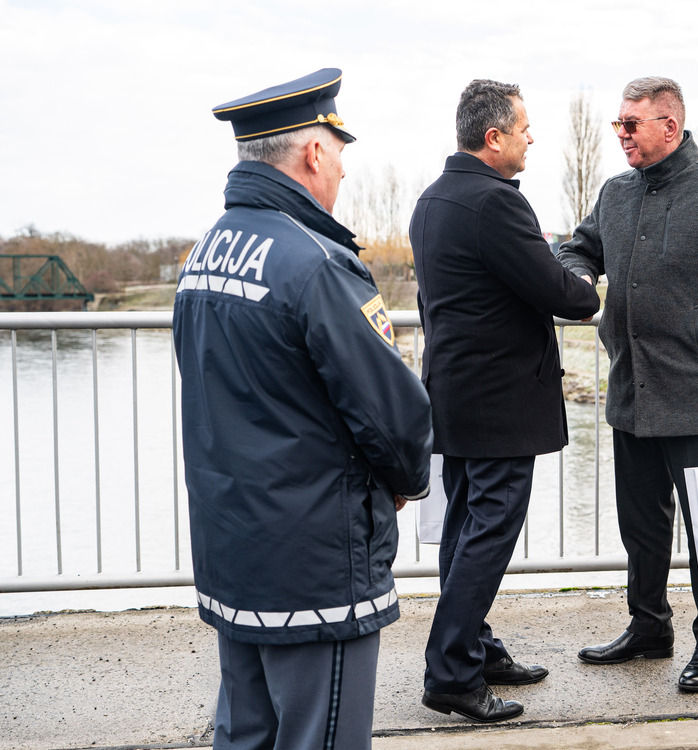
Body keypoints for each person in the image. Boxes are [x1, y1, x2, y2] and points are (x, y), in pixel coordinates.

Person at [173, 69, 432, 749]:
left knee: (246, 734)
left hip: (236, 553)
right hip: (316, 567)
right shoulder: (316, 264)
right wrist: (407, 481)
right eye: (339, 152)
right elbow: (394, 416)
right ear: (312, 153)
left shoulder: (206, 253)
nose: (344, 171)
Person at [557, 76, 698, 693]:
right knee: (641, 526)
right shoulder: (616, 193)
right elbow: (580, 249)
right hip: (632, 390)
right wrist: (575, 280)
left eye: (632, 124)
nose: (621, 133)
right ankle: (649, 627)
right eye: (618, 123)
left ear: (670, 127)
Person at [410, 79, 600, 723]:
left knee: (463, 528)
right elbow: (557, 291)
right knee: (488, 532)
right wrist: (587, 281)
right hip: (501, 402)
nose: (531, 137)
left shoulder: (433, 200)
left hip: (455, 394)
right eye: (523, 128)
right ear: (493, 138)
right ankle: (452, 673)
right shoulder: (496, 205)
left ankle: (478, 649)